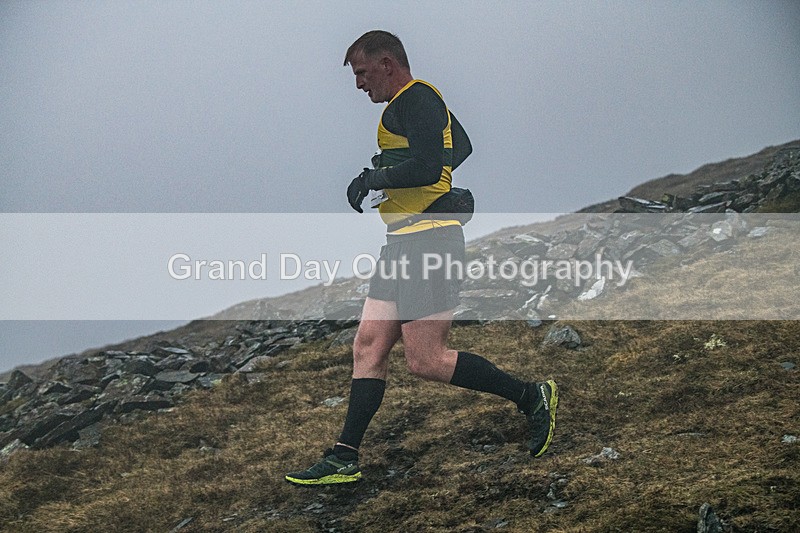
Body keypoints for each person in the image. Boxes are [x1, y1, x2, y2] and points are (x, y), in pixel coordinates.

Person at [285, 30, 558, 485]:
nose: (359, 85)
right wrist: (421, 183)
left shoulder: (417, 98)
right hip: (403, 242)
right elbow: (458, 149)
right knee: (369, 345)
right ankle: (343, 458)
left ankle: (532, 396)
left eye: (362, 73)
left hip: (430, 243)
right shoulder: (412, 107)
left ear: (387, 64)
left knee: (425, 359)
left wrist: (377, 178)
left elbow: (433, 165)